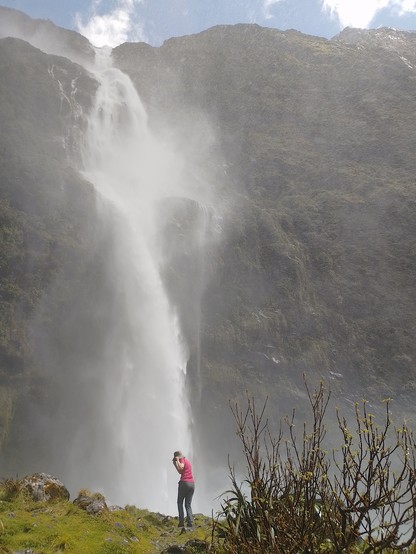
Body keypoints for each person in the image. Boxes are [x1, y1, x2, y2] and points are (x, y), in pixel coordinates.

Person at [172, 450, 195, 528]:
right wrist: (175, 464)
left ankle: (181, 522)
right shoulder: (187, 461)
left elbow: (181, 467)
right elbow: (180, 471)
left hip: (184, 483)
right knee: (188, 504)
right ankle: (190, 523)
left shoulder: (181, 460)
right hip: (192, 484)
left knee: (179, 502)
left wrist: (177, 460)